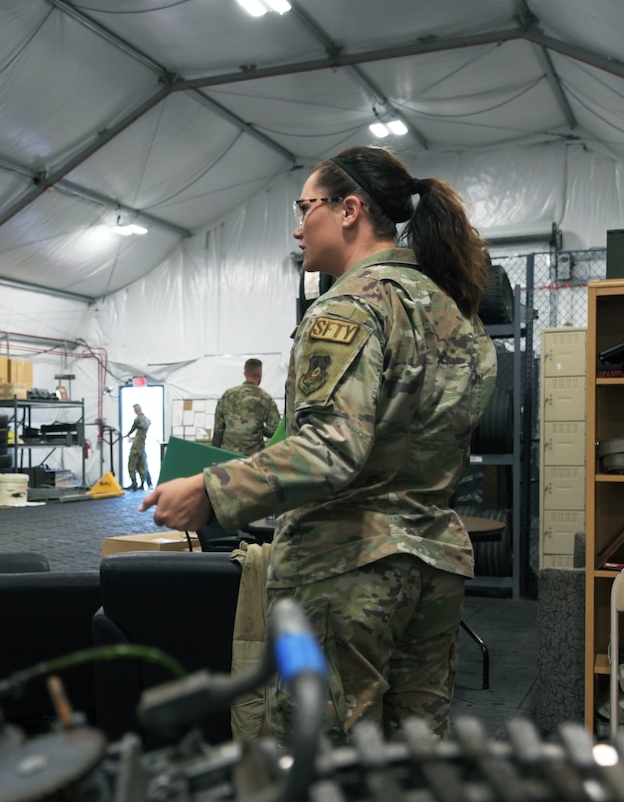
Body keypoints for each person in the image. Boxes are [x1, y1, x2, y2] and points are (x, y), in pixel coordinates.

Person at [142, 145, 495, 736]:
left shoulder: (352, 306)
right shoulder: (453, 313)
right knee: (415, 759)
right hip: (434, 562)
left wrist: (211, 488)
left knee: (322, 765)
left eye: (306, 208)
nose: (298, 226)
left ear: (350, 209)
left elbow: (332, 447)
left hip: (349, 569)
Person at [212, 358, 281, 455]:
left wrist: (215, 452)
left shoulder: (228, 395)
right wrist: (259, 428)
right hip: (252, 459)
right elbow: (275, 430)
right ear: (260, 374)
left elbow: (218, 428)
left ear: (245, 373)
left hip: (227, 456)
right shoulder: (265, 398)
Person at [125, 403, 152, 489]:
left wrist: (127, 435)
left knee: (131, 464)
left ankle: (134, 483)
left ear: (136, 410)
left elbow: (132, 429)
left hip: (136, 446)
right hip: (142, 445)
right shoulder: (147, 420)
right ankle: (142, 484)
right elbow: (140, 434)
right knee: (141, 465)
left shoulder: (138, 420)